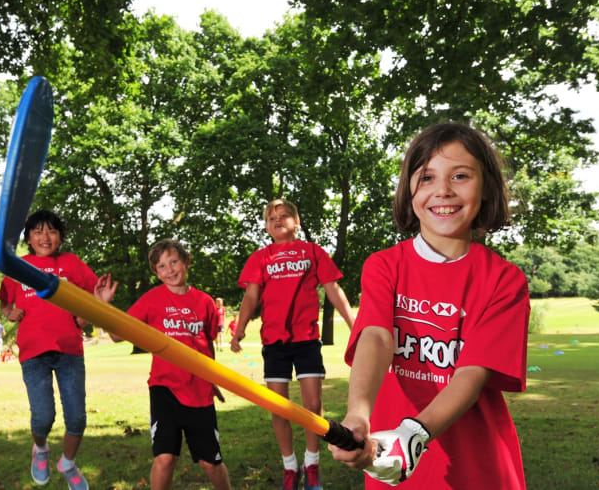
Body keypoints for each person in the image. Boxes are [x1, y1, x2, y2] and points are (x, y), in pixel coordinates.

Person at [329, 122, 531, 489]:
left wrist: (414, 435)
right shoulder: (384, 266)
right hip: (392, 458)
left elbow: (472, 373)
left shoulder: (505, 280)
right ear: (409, 191)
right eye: (426, 177)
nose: (443, 190)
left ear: (486, 187)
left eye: (460, 176)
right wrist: (358, 413)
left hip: (477, 466)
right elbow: (376, 336)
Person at [230, 198, 355, 490]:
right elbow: (251, 296)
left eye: (284, 215)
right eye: (271, 218)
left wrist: (354, 324)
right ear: (266, 227)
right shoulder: (260, 258)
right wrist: (240, 328)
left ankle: (312, 464)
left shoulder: (313, 251)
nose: (278, 220)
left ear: (296, 222)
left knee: (313, 405)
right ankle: (290, 467)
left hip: (306, 340)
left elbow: (333, 289)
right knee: (279, 408)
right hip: (275, 343)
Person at [0, 209, 117, 489]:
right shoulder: (18, 266)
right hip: (33, 352)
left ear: (61, 237)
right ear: (28, 238)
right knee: (43, 417)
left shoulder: (71, 263)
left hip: (69, 350)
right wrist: (8, 312)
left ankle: (68, 463)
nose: (45, 237)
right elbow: (4, 300)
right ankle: (40, 449)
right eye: (38, 231)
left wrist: (88, 312)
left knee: (77, 418)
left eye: (52, 231)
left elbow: (93, 298)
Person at [111, 239, 231, 490]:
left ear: (186, 262)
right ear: (156, 273)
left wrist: (212, 379)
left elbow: (207, 345)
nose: (169, 269)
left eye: (174, 261)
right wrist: (104, 306)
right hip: (164, 388)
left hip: (199, 391)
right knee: (165, 458)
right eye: (162, 266)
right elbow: (117, 334)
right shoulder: (151, 300)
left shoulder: (205, 301)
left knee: (210, 462)